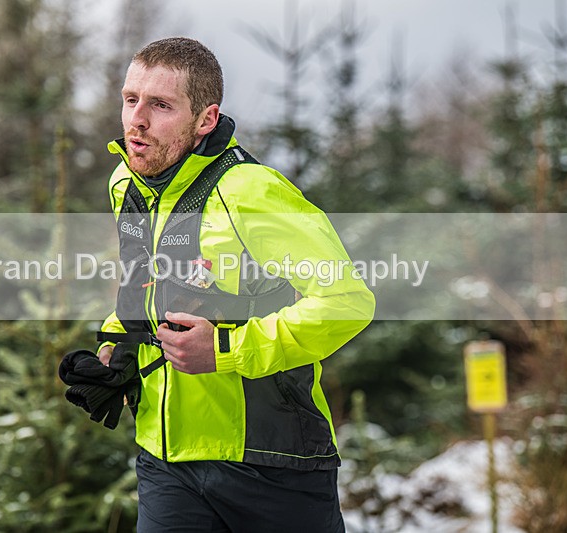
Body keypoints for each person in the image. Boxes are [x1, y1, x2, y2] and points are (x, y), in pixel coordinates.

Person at [95, 37, 375, 532]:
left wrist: (225, 349)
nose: (137, 119)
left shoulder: (251, 191)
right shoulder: (128, 184)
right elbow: (145, 283)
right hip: (166, 462)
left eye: (161, 105)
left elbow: (347, 301)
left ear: (205, 119)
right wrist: (117, 342)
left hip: (272, 463)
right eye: (130, 99)